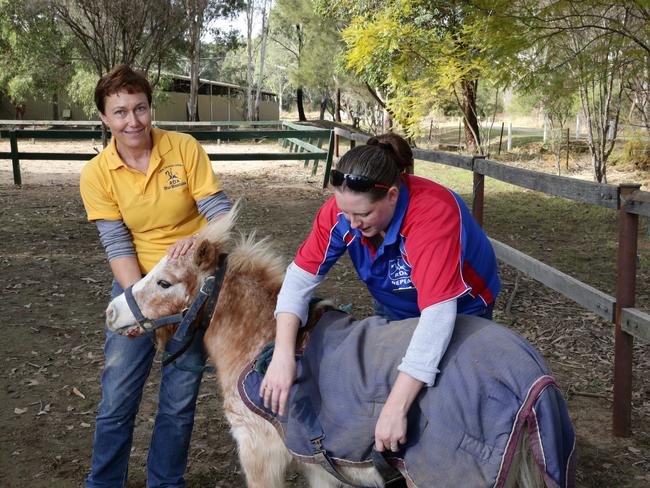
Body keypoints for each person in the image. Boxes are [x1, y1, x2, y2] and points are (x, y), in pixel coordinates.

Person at [260, 133, 500, 455]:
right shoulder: (343, 211)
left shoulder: (431, 214)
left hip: (463, 307)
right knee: (387, 380)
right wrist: (282, 354)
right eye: (345, 213)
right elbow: (299, 280)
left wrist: (396, 407)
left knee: (449, 394)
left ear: (391, 195)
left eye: (363, 215)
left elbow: (438, 316)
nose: (352, 223)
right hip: (393, 301)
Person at [79, 64, 231, 488]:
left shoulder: (183, 148)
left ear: (150, 108)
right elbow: (117, 244)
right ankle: (104, 481)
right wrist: (139, 304)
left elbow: (219, 212)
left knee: (180, 399)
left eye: (140, 108)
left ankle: (166, 482)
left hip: (193, 289)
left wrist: (199, 239)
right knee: (118, 395)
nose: (133, 121)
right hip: (139, 282)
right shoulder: (96, 174)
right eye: (121, 112)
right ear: (105, 118)